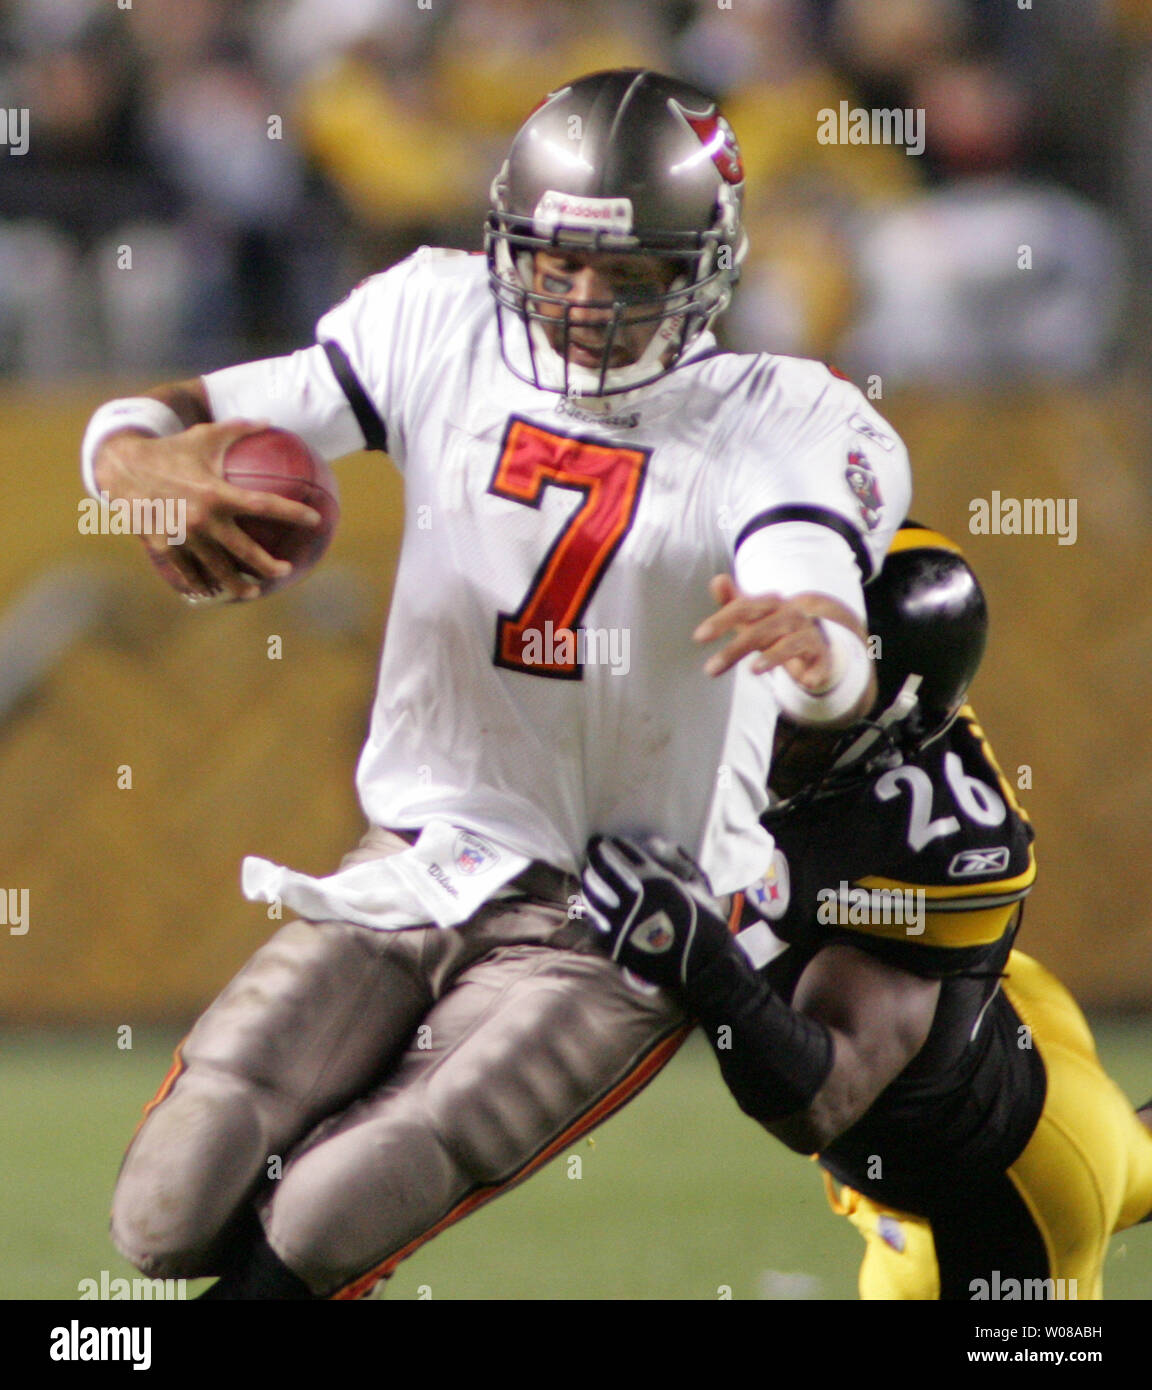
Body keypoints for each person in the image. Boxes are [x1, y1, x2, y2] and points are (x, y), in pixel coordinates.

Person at [83, 69, 911, 1299]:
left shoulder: (783, 414)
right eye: (559, 263)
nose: (583, 302)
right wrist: (134, 462)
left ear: (706, 269)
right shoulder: (440, 318)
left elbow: (817, 613)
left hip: (623, 912)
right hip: (421, 850)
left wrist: (822, 655)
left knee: (326, 1213)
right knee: (166, 1204)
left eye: (629, 274)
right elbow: (172, 417)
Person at [584, 523, 1152, 1300]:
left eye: (807, 693)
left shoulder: (928, 849)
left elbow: (824, 1097)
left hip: (1005, 1192)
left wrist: (701, 963)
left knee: (1119, 1165)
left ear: (886, 720)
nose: (754, 711)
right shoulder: (859, 711)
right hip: (1004, 1043)